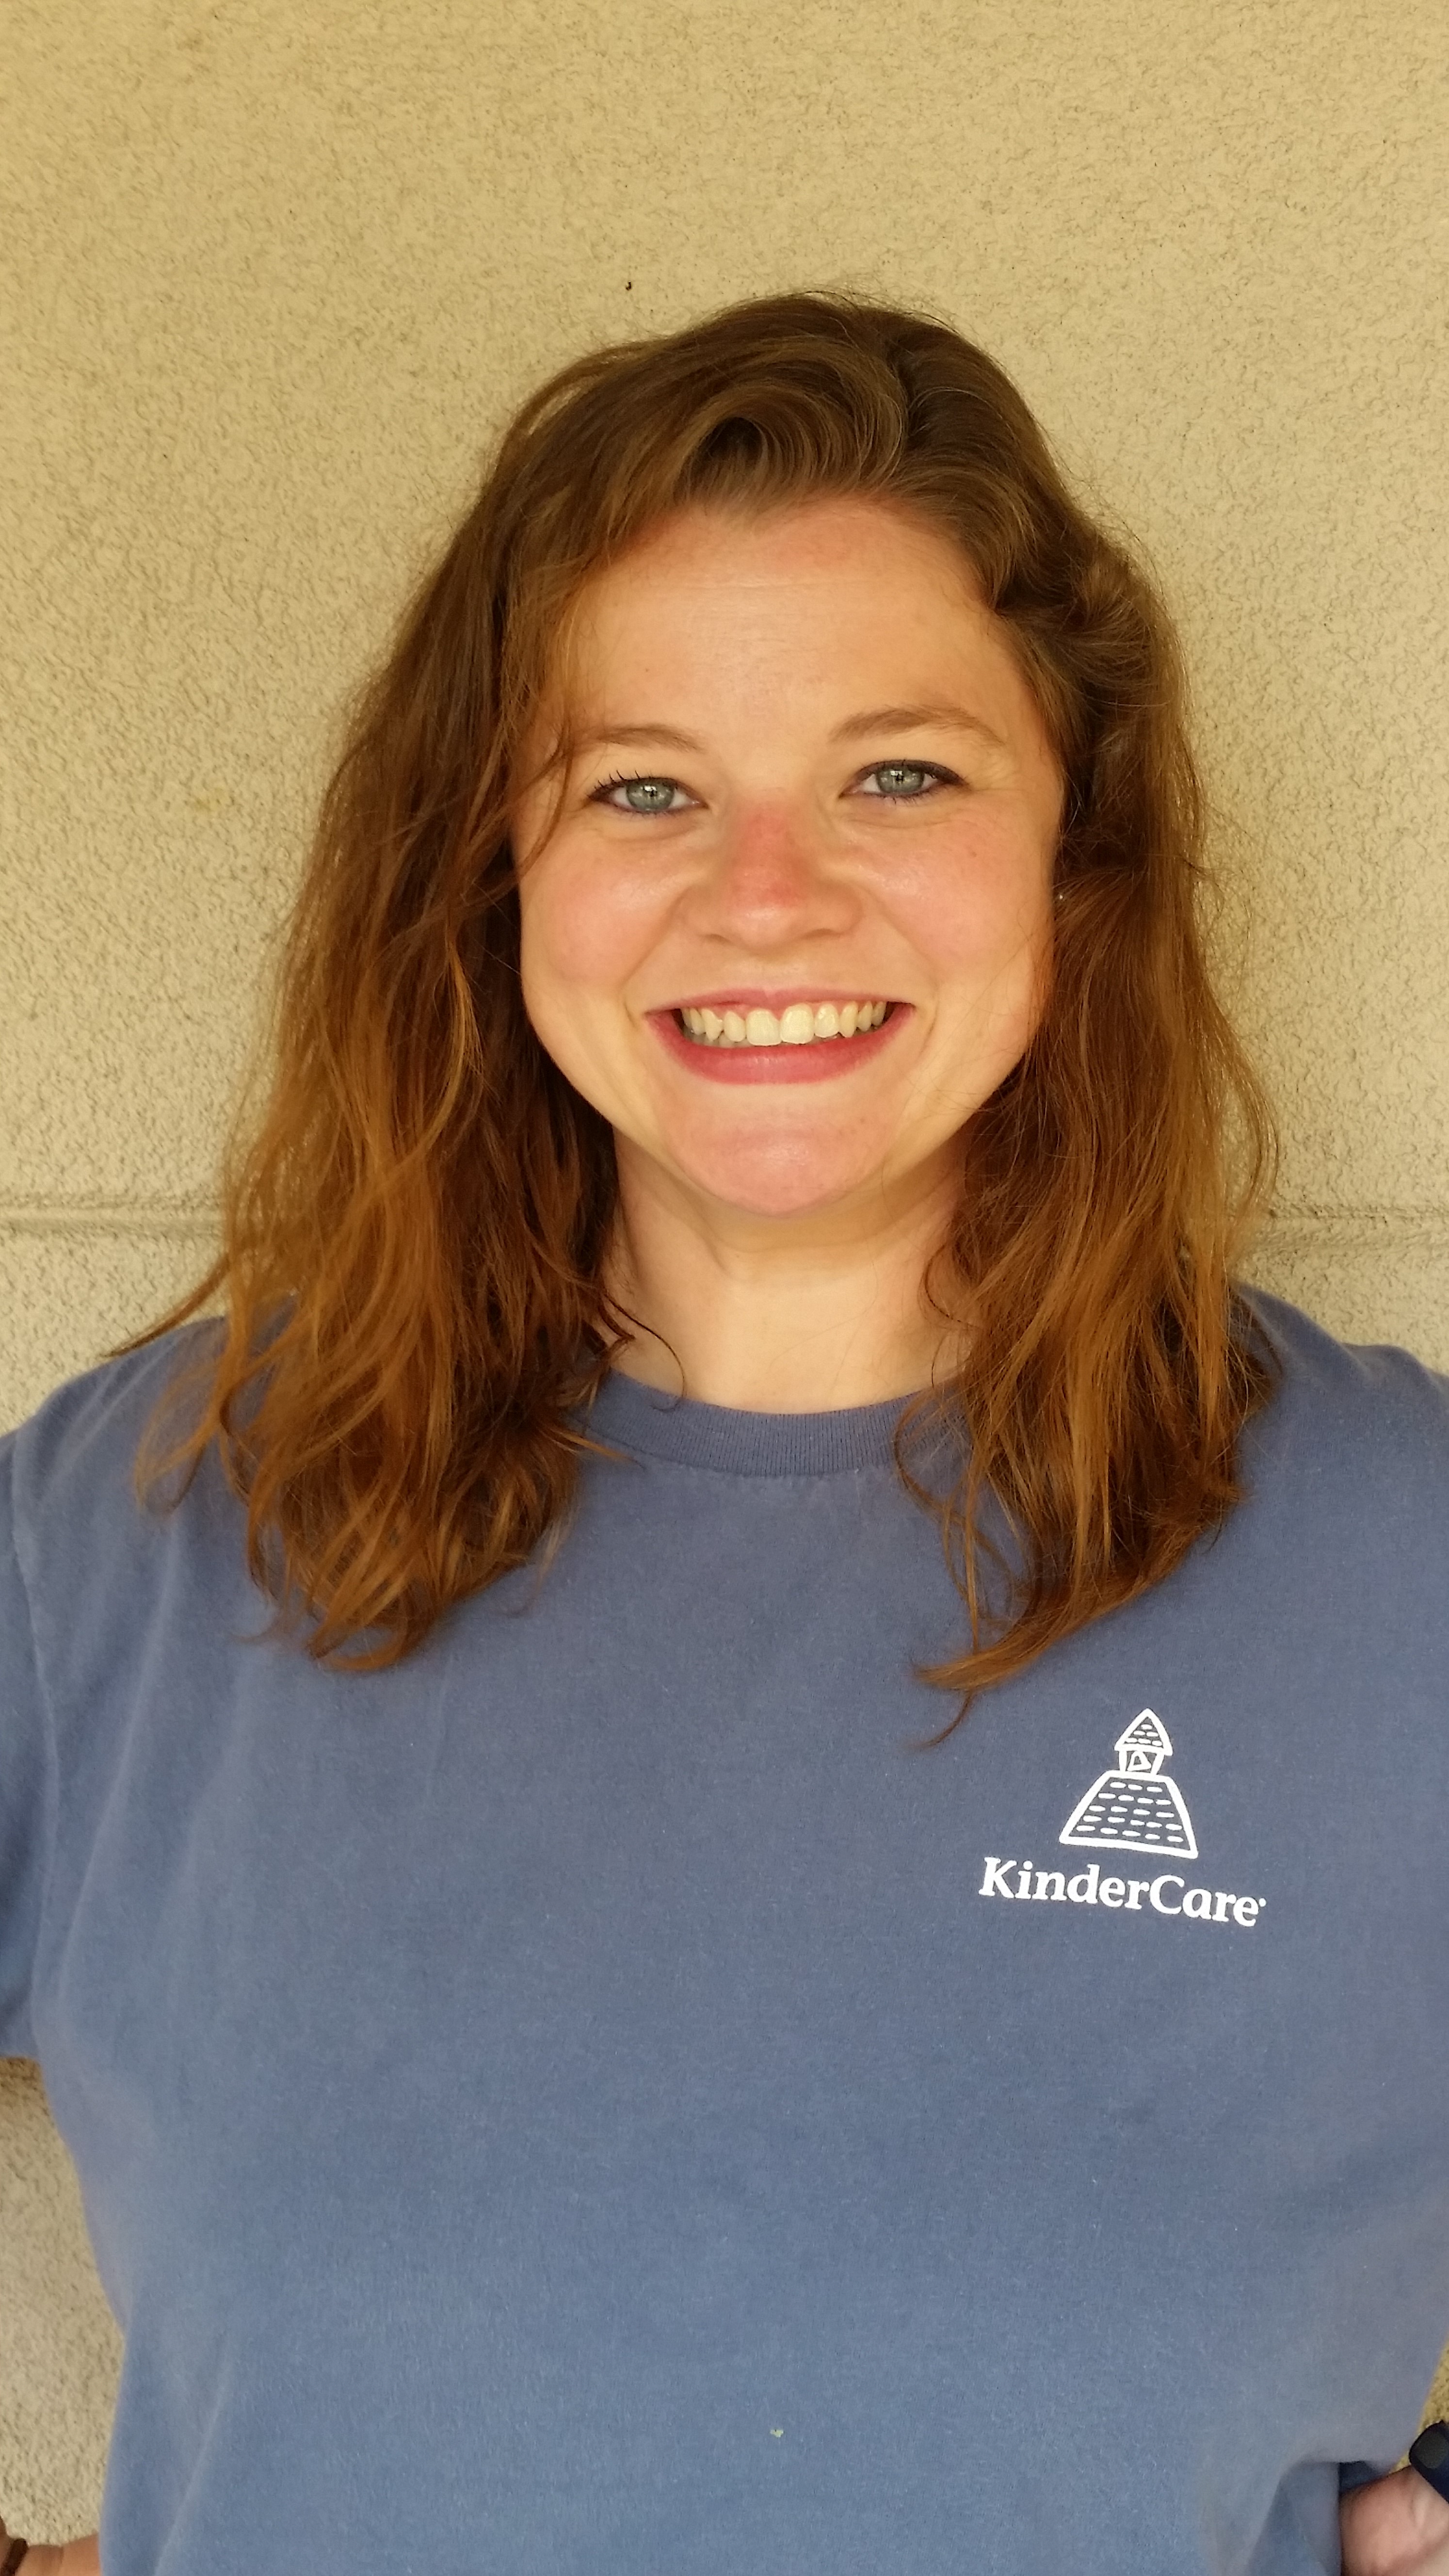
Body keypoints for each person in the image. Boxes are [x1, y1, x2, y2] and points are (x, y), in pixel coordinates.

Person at [2, 291, 1448, 2576]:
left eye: (902, 773)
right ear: (491, 862)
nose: (767, 895)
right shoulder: (131, 1537)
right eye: (644, 786)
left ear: (1077, 851)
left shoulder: (1398, 1560)